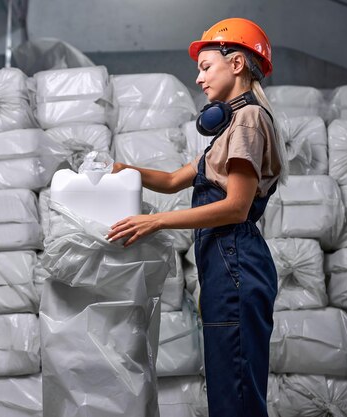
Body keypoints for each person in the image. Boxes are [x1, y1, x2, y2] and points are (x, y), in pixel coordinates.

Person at [106, 17, 289, 417]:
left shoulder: (248, 120)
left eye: (206, 67)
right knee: (230, 388)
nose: (200, 78)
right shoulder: (227, 131)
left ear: (236, 64)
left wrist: (155, 222)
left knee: (235, 396)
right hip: (226, 265)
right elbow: (173, 181)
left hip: (235, 260)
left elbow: (236, 207)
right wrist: (120, 169)